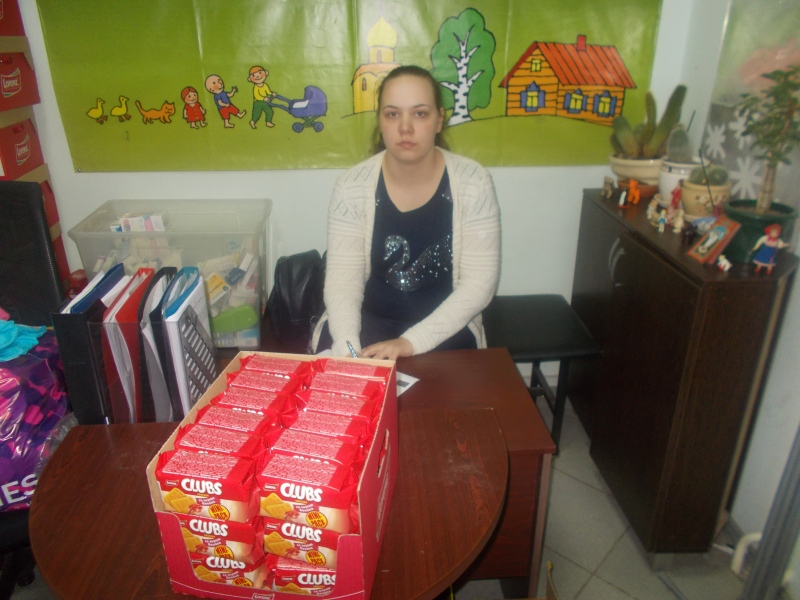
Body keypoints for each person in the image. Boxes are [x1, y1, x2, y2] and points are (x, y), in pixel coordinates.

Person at [311, 65, 500, 360]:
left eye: (420, 113)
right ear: (380, 120)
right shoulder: (351, 186)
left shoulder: (474, 183)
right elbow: (342, 283)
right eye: (392, 114)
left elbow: (478, 286)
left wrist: (409, 342)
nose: (405, 127)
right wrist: (348, 343)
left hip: (445, 327)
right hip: (364, 324)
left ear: (439, 120)